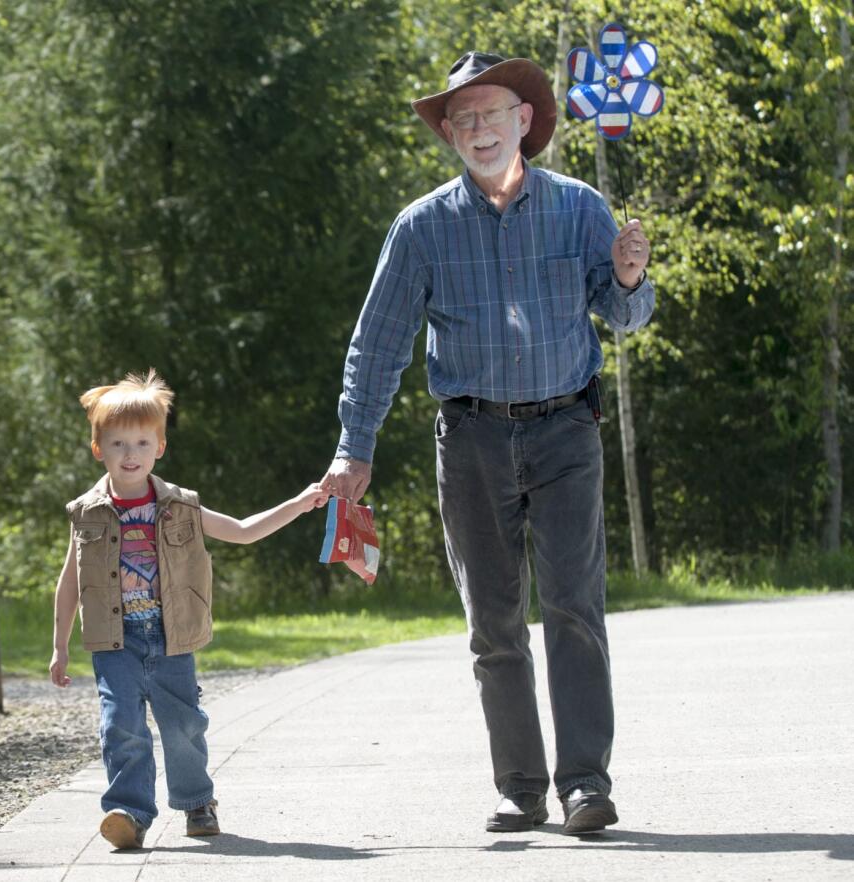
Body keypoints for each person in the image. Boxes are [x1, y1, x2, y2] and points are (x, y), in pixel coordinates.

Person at [321, 51, 654, 835]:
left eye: (490, 113)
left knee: (575, 609)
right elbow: (378, 344)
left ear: (524, 122)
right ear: (450, 134)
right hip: (469, 437)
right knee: (493, 623)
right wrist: (353, 444)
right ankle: (520, 787)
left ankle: (584, 786)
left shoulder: (580, 209)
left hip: (568, 429)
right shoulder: (422, 227)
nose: (475, 129)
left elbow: (627, 319)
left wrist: (633, 280)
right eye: (461, 118)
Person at [49, 369, 328, 850]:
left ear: (159, 446)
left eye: (140, 442)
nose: (129, 454)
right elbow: (70, 580)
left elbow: (242, 530)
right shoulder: (86, 513)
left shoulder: (181, 508)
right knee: (121, 726)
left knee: (183, 725)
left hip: (169, 634)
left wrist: (299, 504)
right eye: (117, 444)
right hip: (114, 641)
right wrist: (59, 647)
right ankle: (129, 814)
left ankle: (197, 801)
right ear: (99, 450)